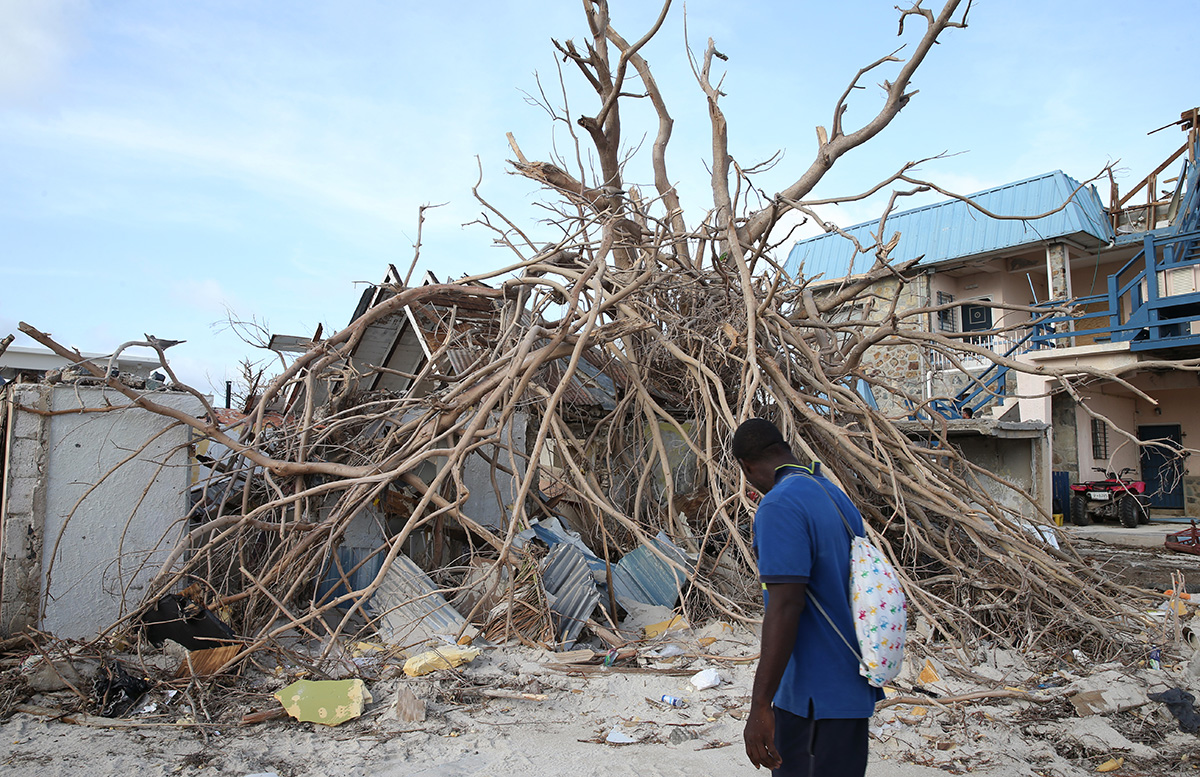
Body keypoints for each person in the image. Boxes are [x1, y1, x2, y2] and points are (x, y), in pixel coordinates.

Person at [732, 418, 883, 777]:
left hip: (810, 700)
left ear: (747, 467)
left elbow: (786, 606)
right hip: (851, 688)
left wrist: (760, 707)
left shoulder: (778, 506)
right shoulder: (832, 494)